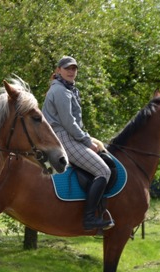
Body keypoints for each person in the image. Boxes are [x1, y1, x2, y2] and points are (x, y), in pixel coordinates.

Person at [42, 56, 114, 230]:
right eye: (67, 68)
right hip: (63, 137)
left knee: (104, 157)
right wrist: (87, 141)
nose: (71, 71)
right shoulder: (60, 91)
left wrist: (88, 137)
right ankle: (89, 218)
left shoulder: (68, 89)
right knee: (103, 171)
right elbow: (69, 123)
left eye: (74, 69)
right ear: (58, 70)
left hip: (69, 135)